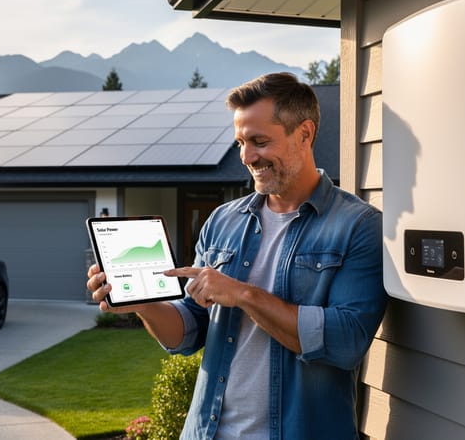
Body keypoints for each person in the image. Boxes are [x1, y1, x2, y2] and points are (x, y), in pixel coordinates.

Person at [86, 72, 387, 439]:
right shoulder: (223, 221)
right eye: (240, 142)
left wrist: (243, 294)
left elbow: (346, 342)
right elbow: (189, 330)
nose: (246, 156)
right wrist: (140, 303)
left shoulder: (358, 226)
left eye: (259, 141)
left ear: (304, 134)